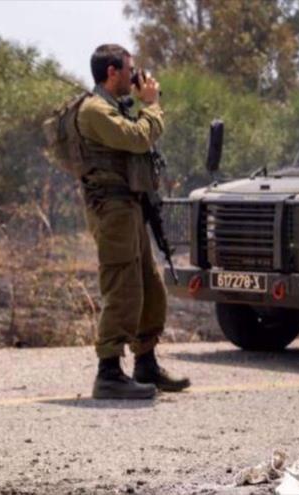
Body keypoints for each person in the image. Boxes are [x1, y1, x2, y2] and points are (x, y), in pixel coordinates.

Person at [78, 44, 190, 399]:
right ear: (112, 72)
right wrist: (152, 105)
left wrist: (142, 106)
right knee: (123, 288)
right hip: (111, 210)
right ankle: (108, 371)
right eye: (129, 69)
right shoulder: (94, 110)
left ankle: (146, 363)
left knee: (150, 287)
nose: (135, 75)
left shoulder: (117, 108)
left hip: (130, 207)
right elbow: (138, 138)